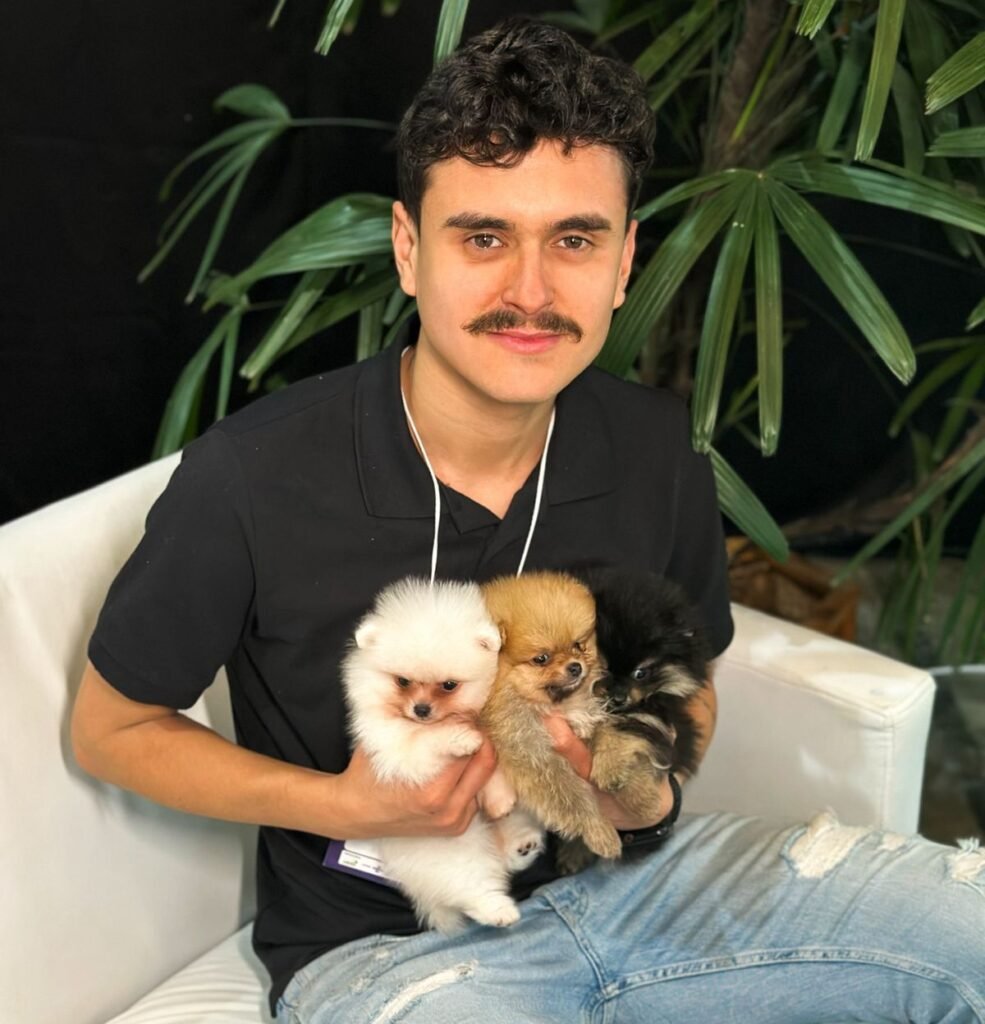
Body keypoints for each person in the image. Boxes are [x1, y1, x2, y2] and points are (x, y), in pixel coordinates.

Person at [72, 18, 984, 1024]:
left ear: (624, 261)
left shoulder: (657, 447)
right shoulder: (253, 474)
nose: (531, 292)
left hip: (641, 886)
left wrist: (643, 787)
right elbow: (112, 729)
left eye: (575, 240)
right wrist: (345, 804)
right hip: (387, 948)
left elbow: (691, 679)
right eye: (483, 238)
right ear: (408, 249)